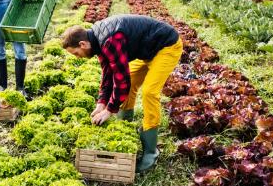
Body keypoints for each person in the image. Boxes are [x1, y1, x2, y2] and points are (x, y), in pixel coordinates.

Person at [61, 15, 183, 172]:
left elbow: (121, 80)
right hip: (147, 50)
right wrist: (101, 104)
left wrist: (110, 110)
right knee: (130, 82)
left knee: (149, 93)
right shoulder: (97, 41)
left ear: (82, 44)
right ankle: (126, 124)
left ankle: (151, 151)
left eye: (76, 53)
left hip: (166, 46)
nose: (78, 57)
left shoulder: (110, 40)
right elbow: (108, 74)